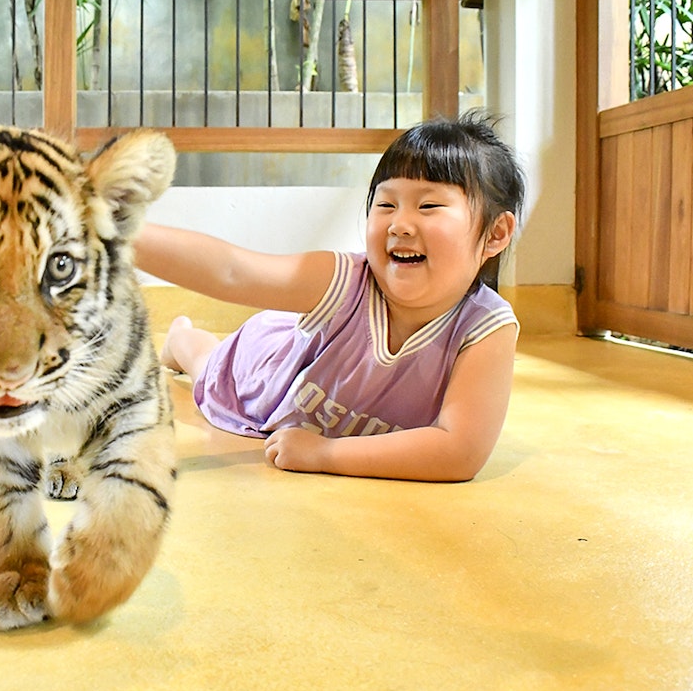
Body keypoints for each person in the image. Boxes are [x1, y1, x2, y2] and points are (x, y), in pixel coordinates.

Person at [133, 112, 525, 482]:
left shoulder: (486, 328)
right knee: (208, 367)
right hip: (269, 372)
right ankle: (181, 339)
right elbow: (233, 271)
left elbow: (458, 451)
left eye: (429, 206)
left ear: (495, 234)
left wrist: (325, 454)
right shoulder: (346, 281)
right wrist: (113, 229)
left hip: (319, 417)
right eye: (386, 204)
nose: (400, 224)